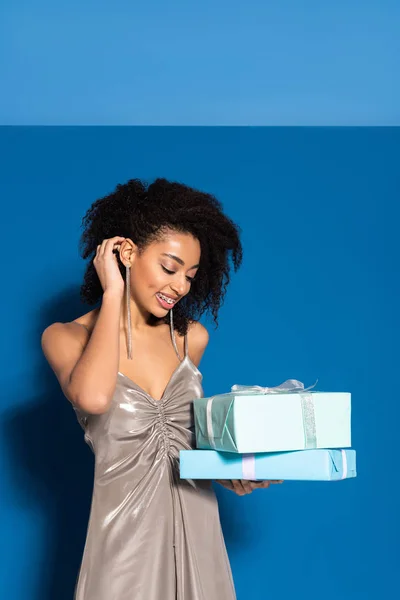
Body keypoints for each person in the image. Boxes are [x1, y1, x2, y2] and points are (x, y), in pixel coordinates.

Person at [41, 177, 282, 600]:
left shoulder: (191, 339)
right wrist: (114, 289)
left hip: (200, 538)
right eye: (169, 268)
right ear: (128, 253)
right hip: (123, 546)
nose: (180, 287)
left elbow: (190, 450)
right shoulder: (66, 338)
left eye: (189, 275)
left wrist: (237, 475)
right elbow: (94, 398)